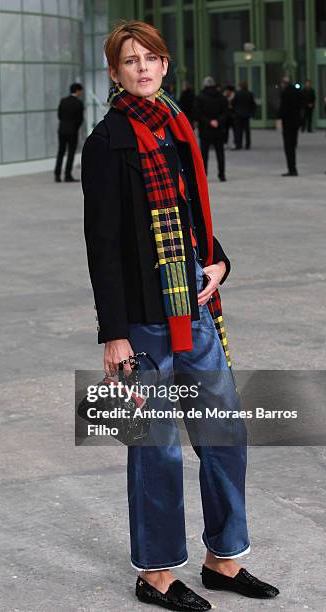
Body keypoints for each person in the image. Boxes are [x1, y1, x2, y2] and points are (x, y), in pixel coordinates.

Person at [81, 20, 279, 611]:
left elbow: (196, 218)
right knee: (156, 447)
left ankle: (223, 559)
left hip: (194, 308)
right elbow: (104, 246)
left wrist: (218, 264)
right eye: (130, 60)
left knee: (226, 434)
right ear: (114, 72)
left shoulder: (175, 127)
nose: (142, 68)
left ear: (165, 66)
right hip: (141, 322)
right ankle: (158, 574)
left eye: (151, 58)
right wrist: (113, 334)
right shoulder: (107, 141)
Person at [194, 76, 228, 182]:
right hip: (219, 129)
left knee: (204, 154)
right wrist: (218, 121)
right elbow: (226, 112)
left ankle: (204, 175)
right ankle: (221, 175)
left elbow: (198, 113)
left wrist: (208, 122)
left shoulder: (200, 97)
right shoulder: (221, 97)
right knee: (220, 153)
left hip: (205, 129)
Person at [54, 83, 84, 182]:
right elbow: (80, 119)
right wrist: (75, 128)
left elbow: (59, 115)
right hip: (72, 131)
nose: (81, 93)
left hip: (62, 130)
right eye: (81, 91)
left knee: (61, 152)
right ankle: (67, 175)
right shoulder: (79, 103)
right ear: (77, 91)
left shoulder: (63, 101)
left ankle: (57, 175)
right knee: (70, 153)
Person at [278, 76, 303, 177]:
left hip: (288, 122)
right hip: (296, 122)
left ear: (284, 83)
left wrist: (279, 116)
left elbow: (284, 108)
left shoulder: (285, 93)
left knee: (288, 147)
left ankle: (292, 168)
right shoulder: (297, 92)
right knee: (292, 143)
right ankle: (293, 168)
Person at [232, 81, 256, 150]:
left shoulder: (237, 93)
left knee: (238, 130)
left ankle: (238, 144)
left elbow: (233, 103)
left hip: (238, 114)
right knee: (247, 130)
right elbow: (253, 104)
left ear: (240, 86)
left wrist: (234, 111)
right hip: (246, 114)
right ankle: (247, 145)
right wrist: (252, 113)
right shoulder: (250, 93)